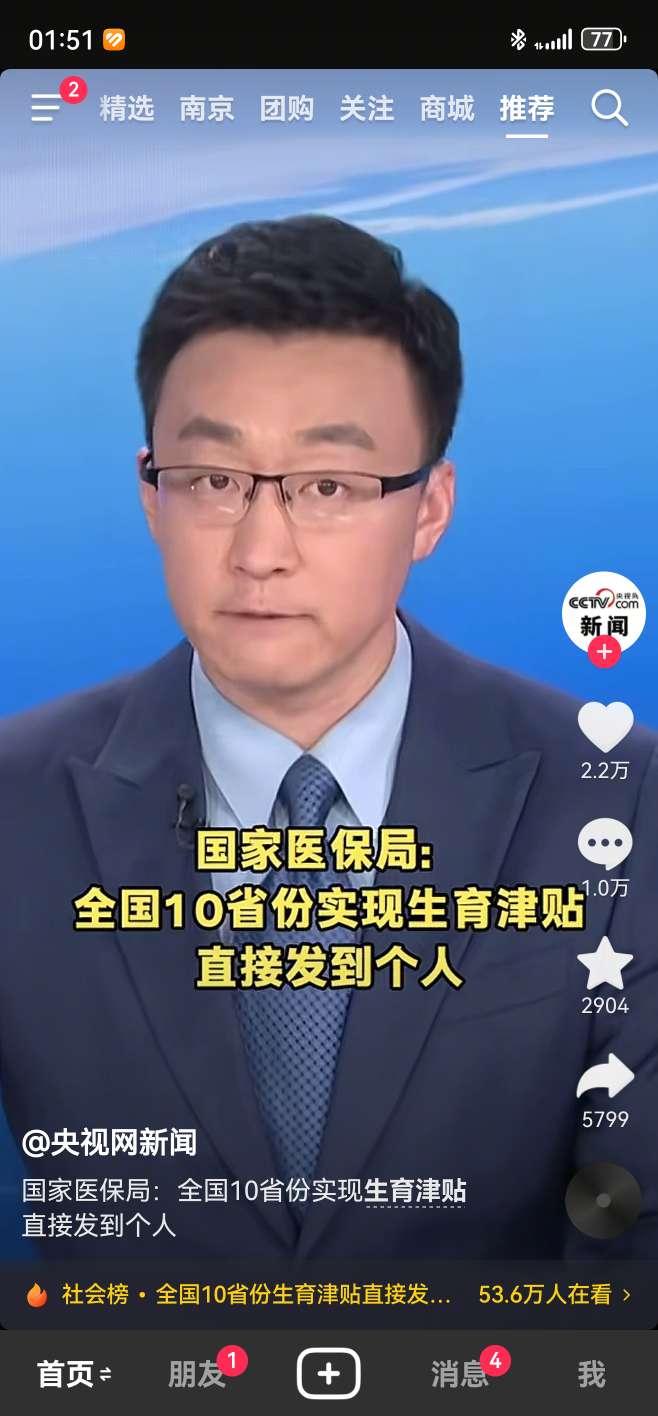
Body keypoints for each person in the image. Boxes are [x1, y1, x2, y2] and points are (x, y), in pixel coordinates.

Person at [0, 215, 656, 1264]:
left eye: (327, 487)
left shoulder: (619, 798)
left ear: (429, 510)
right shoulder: (18, 804)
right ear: (151, 496)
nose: (261, 550)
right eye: (212, 480)